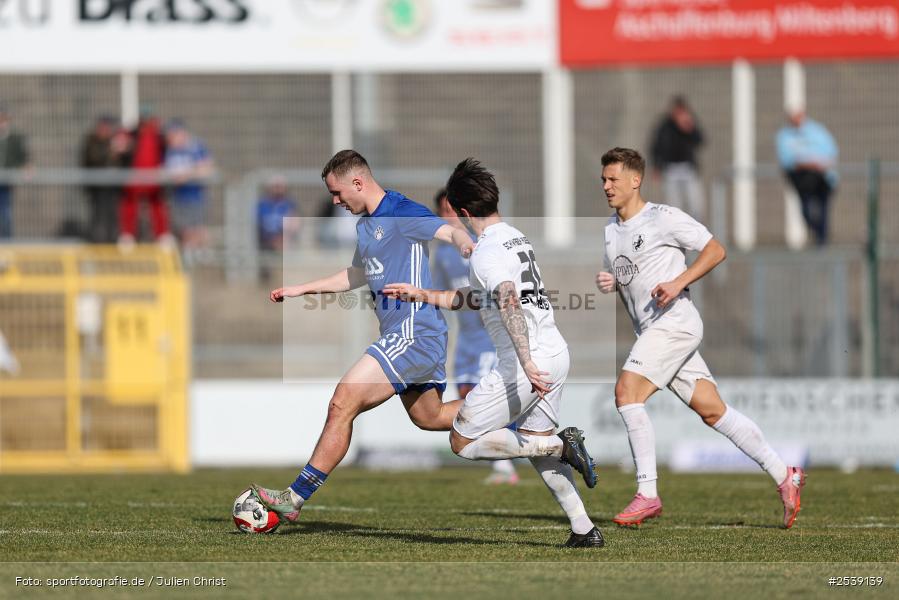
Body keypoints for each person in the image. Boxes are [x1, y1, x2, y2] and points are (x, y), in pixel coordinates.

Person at [384, 158, 604, 548]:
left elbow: (506, 299)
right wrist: (423, 294)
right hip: (555, 352)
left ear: (463, 212)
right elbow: (480, 297)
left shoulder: (485, 252)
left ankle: (560, 445)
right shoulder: (516, 236)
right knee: (536, 444)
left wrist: (526, 361)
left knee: (462, 441)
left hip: (525, 363)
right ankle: (584, 529)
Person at [250, 150, 475, 523]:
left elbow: (446, 229)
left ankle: (295, 497)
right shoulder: (365, 225)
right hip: (412, 334)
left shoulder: (401, 211)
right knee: (430, 417)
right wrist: (301, 289)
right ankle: (512, 412)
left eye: (338, 194)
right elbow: (356, 275)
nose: (336, 202)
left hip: (414, 331)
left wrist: (464, 242)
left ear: (358, 182)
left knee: (343, 401)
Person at [594, 147, 805, 529]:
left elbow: (716, 249)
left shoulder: (663, 217)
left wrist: (679, 282)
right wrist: (612, 281)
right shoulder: (611, 229)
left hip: (675, 324)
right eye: (604, 179)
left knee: (626, 393)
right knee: (713, 411)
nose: (606, 186)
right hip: (655, 331)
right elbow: (630, 274)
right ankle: (784, 475)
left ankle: (647, 493)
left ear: (635, 180)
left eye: (613, 179)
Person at [431, 187, 518, 486]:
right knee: (465, 396)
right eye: (443, 211)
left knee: (478, 399)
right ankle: (506, 452)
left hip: (489, 337)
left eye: (453, 210)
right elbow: (444, 294)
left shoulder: (484, 245)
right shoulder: (442, 254)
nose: (450, 216)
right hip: (464, 339)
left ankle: (505, 466)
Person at [776, 109, 838, 246]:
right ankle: (817, 232)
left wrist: (818, 164)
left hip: (822, 178)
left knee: (823, 209)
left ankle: (822, 239)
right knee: (806, 209)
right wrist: (808, 163)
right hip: (802, 180)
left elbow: (831, 153)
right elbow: (787, 160)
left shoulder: (817, 131)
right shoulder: (784, 136)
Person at [118, 107, 173, 249]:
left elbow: (169, 147)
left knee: (157, 205)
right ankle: (127, 236)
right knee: (129, 205)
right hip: (135, 179)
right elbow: (120, 145)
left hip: (154, 179)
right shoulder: (132, 135)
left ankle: (162, 236)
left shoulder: (159, 135)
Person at [164, 119, 214, 263]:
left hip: (194, 196)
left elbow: (206, 168)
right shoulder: (170, 150)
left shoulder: (194, 146)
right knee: (184, 231)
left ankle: (198, 257)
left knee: (196, 229)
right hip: (178, 197)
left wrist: (186, 176)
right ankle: (189, 259)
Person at [649, 95, 705, 220]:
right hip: (670, 170)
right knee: (673, 206)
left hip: (688, 169)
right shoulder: (664, 126)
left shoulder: (690, 124)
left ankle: (696, 232)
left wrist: (689, 128)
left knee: (695, 204)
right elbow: (656, 147)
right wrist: (656, 166)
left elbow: (700, 140)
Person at [80, 114, 128, 243]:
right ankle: (97, 244)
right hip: (98, 188)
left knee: (113, 216)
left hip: (112, 188)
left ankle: (112, 243)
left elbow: (124, 161)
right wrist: (111, 151)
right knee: (98, 216)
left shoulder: (113, 141)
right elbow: (94, 159)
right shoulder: (92, 141)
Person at [0, 103, 30, 239]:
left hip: (6, 182)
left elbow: (22, 158)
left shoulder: (14, 138)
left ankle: (6, 243)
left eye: (4, 119)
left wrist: (25, 167)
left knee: (6, 214)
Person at [257, 175, 299, 253]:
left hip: (284, 240)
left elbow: (294, 225)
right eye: (275, 186)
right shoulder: (262, 204)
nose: (278, 189)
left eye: (280, 187)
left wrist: (281, 237)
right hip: (265, 240)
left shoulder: (290, 204)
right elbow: (258, 224)